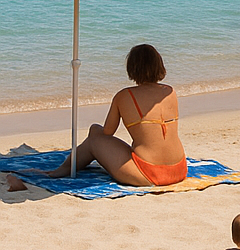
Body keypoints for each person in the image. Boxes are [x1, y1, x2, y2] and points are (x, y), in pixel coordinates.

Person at [37, 44, 188, 187]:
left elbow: (108, 132)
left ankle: (62, 170)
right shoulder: (169, 92)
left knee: (95, 134)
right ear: (159, 65)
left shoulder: (124, 96)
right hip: (179, 169)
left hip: (148, 173)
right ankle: (66, 167)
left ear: (132, 68)